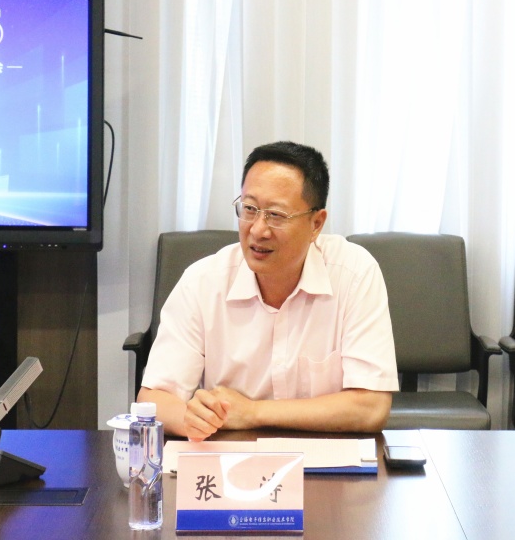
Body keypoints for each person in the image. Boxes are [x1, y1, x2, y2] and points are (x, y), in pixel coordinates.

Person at [137, 141, 398, 440]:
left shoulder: (354, 274)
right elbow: (154, 399)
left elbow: (371, 407)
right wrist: (191, 418)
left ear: (316, 224)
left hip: (326, 453)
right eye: (249, 209)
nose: (258, 230)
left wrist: (252, 412)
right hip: (230, 454)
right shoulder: (203, 281)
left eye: (276, 215)